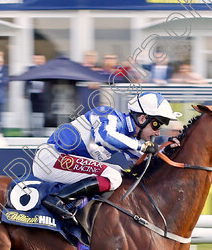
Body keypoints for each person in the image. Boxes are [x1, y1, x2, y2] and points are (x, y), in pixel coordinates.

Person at [33, 92, 178, 222]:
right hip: (51, 159)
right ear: (142, 118)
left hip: (61, 161)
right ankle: (58, 199)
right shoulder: (108, 114)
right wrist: (141, 146)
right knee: (113, 176)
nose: (158, 132)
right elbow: (104, 137)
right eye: (156, 125)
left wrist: (169, 151)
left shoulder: (127, 137)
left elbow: (145, 160)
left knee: (120, 172)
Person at [25, 55, 53, 128]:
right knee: (33, 112)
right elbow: (26, 82)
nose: (38, 61)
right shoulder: (30, 69)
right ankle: (33, 128)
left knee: (43, 111)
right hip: (33, 94)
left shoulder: (47, 69)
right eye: (36, 59)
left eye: (40, 59)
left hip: (44, 94)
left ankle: (41, 128)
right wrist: (25, 93)